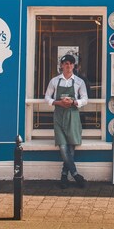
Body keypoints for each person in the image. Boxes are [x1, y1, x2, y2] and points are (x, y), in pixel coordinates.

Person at [45, 54, 88, 188]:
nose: (68, 66)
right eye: (66, 63)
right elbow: (47, 97)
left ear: (74, 66)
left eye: (70, 64)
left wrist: (74, 102)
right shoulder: (54, 81)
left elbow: (85, 99)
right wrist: (58, 102)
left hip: (73, 116)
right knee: (63, 146)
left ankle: (64, 176)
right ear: (61, 65)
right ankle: (75, 174)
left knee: (71, 146)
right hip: (58, 115)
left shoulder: (79, 82)